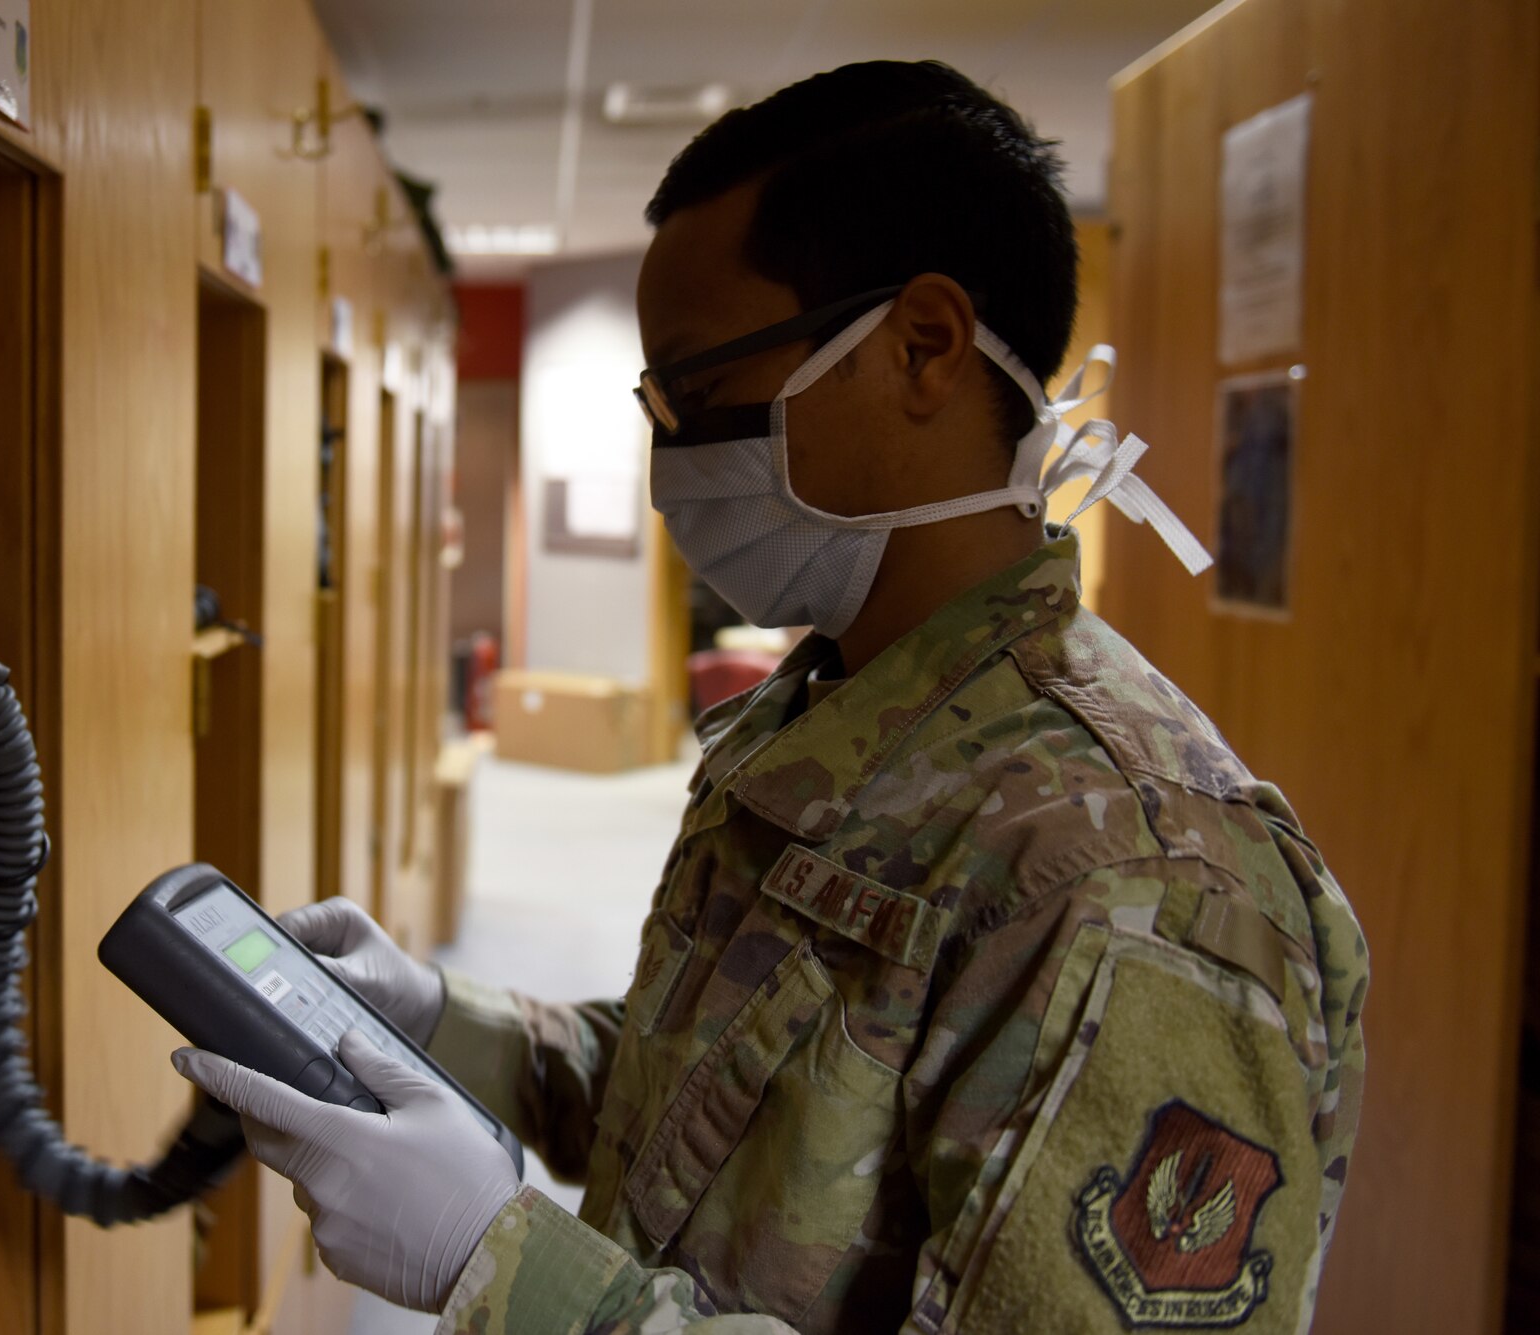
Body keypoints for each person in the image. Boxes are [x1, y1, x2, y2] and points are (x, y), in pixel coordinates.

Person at [174, 60, 1368, 1334]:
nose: (668, 452)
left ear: (922, 346)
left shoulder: (1138, 871)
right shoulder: (836, 715)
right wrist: (447, 1025)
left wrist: (499, 1267)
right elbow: (717, 1091)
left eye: (698, 388)